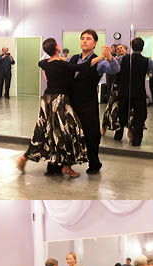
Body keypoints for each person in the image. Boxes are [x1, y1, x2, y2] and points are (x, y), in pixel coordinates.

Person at [16, 38, 105, 177]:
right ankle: (66, 166)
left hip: (46, 100)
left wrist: (61, 59)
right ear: (57, 47)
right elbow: (83, 66)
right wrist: (102, 56)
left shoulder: (46, 63)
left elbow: (41, 63)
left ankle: (26, 157)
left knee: (43, 130)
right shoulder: (63, 65)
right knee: (68, 131)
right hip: (60, 100)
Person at [68, 29, 120, 174]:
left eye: (88, 38)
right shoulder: (73, 59)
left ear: (95, 43)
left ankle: (94, 163)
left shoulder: (99, 62)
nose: (84, 40)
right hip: (71, 102)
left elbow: (115, 70)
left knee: (91, 134)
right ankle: (66, 164)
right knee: (69, 132)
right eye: (82, 38)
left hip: (88, 103)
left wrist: (110, 57)